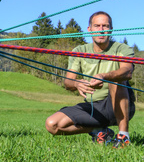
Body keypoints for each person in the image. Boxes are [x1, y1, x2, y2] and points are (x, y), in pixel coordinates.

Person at [45, 11, 135, 147]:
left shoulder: (122, 48)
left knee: (116, 81)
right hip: (93, 107)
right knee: (52, 124)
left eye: (105, 26)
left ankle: (123, 137)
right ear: (89, 29)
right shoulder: (79, 51)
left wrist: (105, 76)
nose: (101, 30)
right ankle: (99, 131)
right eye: (97, 26)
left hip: (118, 103)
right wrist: (76, 83)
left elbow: (127, 71)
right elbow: (67, 82)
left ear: (110, 29)